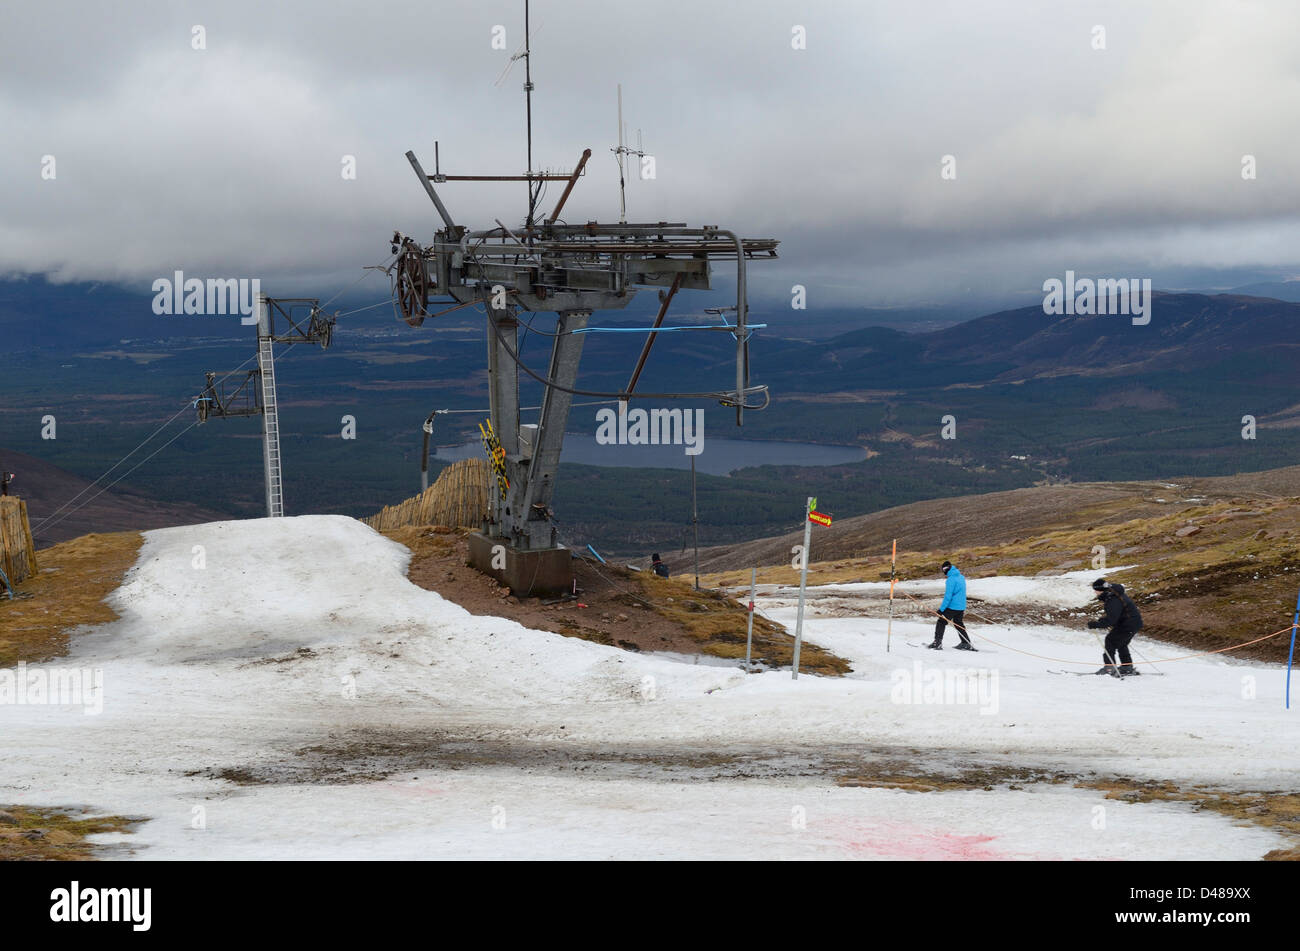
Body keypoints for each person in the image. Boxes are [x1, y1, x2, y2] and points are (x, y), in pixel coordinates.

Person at [1087, 578, 1143, 676]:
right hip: (1132, 623)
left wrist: (1096, 624)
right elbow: (1116, 615)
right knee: (1121, 644)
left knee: (1110, 641)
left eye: (1095, 590)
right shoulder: (1114, 594)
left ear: (1100, 590)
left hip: (1128, 625)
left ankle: (1109, 668)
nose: (1095, 593)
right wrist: (1101, 621)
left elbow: (1111, 620)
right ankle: (1127, 667)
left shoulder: (1113, 599)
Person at [928, 560, 975, 650]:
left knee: (941, 622)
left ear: (945, 570)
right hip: (961, 606)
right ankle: (966, 643)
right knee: (958, 623)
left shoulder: (950, 580)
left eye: (943, 571)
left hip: (953, 606)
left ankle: (937, 643)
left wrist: (941, 610)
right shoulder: (961, 577)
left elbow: (948, 597)